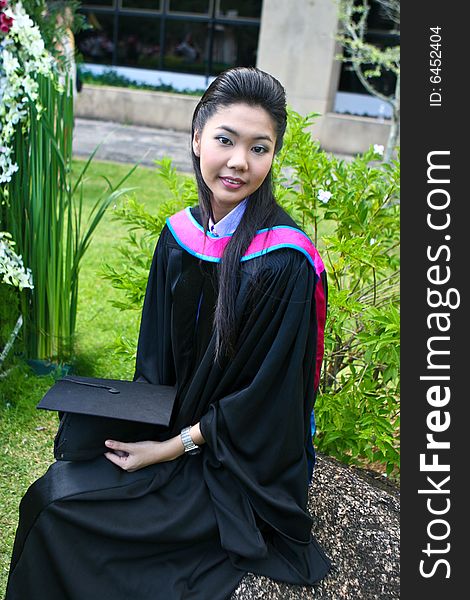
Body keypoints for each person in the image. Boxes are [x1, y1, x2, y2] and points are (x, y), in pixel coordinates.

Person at [5, 67, 331, 599]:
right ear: (197, 137)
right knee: (49, 495)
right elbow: (155, 362)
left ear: (274, 157)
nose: (238, 162)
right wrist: (131, 425)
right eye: (225, 140)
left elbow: (266, 401)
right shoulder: (180, 236)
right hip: (175, 430)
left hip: (240, 467)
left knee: (71, 518)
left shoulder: (284, 261)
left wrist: (171, 448)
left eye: (259, 147)